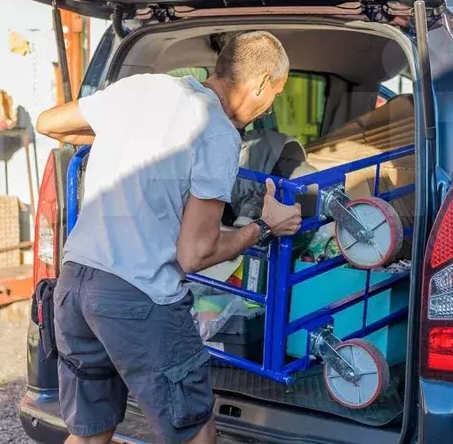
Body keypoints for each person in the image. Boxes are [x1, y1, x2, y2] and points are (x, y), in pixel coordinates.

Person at [35, 30, 303, 444]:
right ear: (262, 83)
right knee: (196, 433)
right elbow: (195, 254)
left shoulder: (144, 88)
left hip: (75, 285)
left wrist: (130, 140)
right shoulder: (216, 133)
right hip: (137, 296)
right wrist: (264, 227)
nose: (269, 106)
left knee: (89, 433)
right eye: (275, 95)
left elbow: (49, 123)